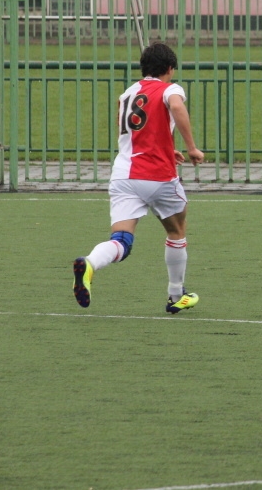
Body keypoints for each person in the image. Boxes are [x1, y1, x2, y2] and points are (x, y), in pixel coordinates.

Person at [72, 41, 205, 314]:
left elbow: (138, 132)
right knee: (176, 231)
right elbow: (176, 107)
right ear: (169, 68)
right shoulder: (171, 89)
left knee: (122, 239)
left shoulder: (127, 93)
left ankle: (90, 263)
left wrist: (170, 147)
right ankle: (175, 294)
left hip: (123, 175)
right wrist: (191, 147)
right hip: (157, 175)